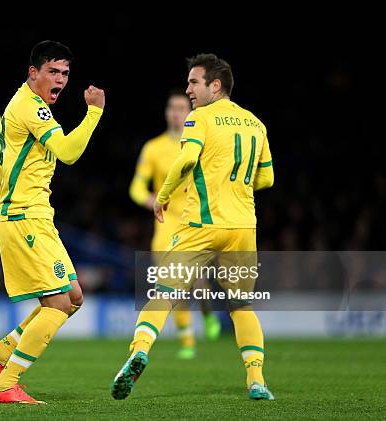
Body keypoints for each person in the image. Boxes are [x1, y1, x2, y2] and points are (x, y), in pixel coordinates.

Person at [111, 53, 275, 401]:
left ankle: (138, 351)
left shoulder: (200, 118)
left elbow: (186, 160)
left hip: (201, 224)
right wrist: (235, 187)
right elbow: (267, 177)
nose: (188, 90)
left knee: (165, 294)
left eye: (194, 82)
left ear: (215, 85)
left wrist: (163, 195)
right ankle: (257, 381)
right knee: (242, 306)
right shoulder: (257, 124)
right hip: (244, 226)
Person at [0, 40, 105, 404]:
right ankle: (5, 383)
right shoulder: (30, 107)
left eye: (65, 73)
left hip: (35, 216)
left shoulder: (32, 105)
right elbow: (68, 153)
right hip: (23, 216)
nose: (60, 79)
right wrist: (94, 112)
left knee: (73, 297)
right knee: (60, 304)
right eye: (53, 71)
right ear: (33, 73)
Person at [129, 89, 221, 359]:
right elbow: (135, 187)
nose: (177, 112)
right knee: (173, 286)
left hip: (194, 224)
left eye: (182, 107)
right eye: (172, 108)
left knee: (199, 284)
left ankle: (206, 311)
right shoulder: (153, 148)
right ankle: (188, 341)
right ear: (167, 112)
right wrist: (151, 201)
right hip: (165, 228)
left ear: (190, 112)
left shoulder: (200, 143)